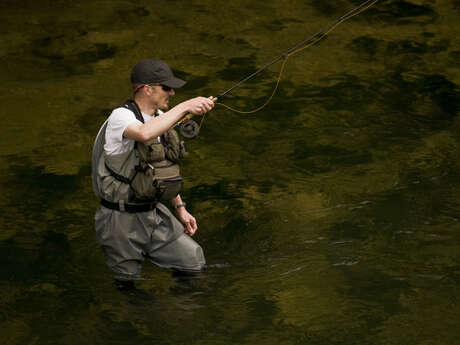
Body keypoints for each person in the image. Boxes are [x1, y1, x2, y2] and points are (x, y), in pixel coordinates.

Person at [91, 58, 215, 288]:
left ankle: (182, 314)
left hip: (153, 213)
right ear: (147, 89)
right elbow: (143, 133)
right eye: (166, 88)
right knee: (128, 282)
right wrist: (187, 106)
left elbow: (160, 167)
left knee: (192, 261)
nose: (172, 93)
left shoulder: (160, 118)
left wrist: (180, 207)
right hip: (119, 219)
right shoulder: (121, 117)